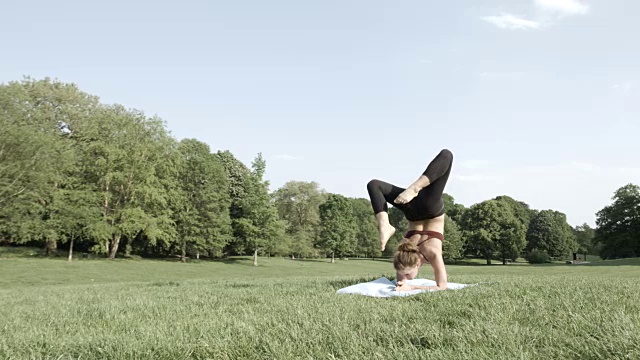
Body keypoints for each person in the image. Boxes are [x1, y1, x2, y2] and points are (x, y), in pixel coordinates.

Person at [366, 148, 453, 292]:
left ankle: (386, 222)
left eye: (406, 273)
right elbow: (441, 286)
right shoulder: (403, 250)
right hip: (414, 208)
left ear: (417, 263)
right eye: (402, 273)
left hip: (429, 208)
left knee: (447, 155)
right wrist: (405, 284)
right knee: (374, 185)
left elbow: (442, 286)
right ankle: (385, 223)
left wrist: (411, 286)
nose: (404, 276)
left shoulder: (428, 252)